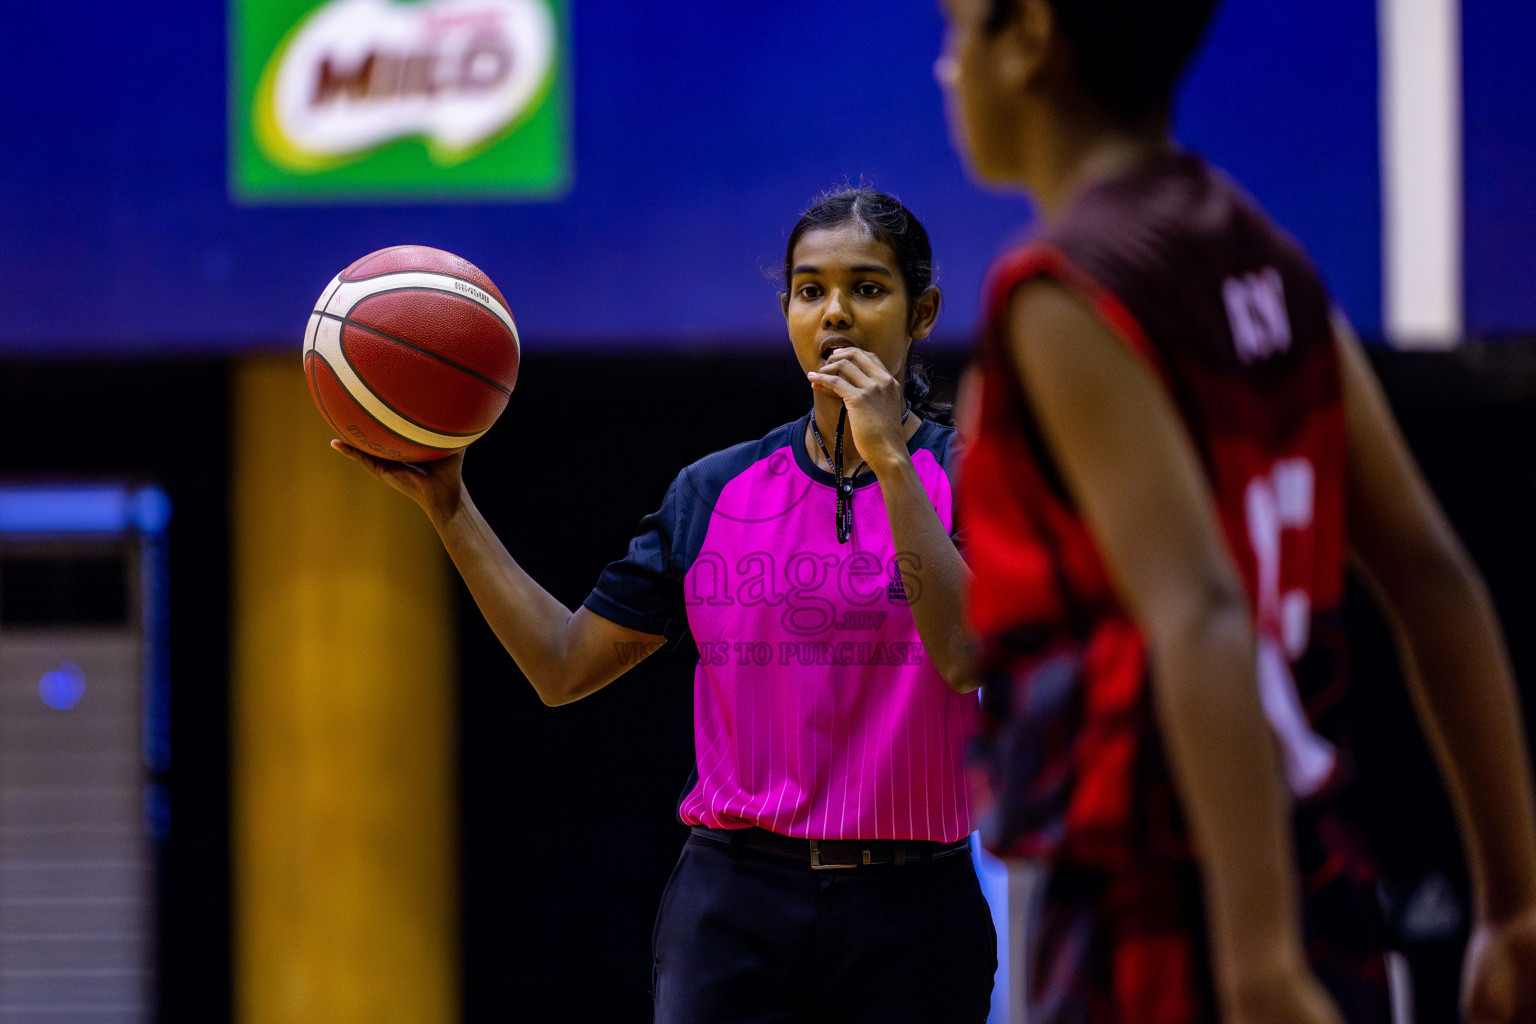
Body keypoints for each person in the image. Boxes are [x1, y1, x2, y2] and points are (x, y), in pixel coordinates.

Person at [934, 0, 1536, 1022]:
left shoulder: (1059, 294)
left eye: (956, 32)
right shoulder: (1265, 255)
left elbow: (1202, 613)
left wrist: (1256, 964)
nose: (948, 71)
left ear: (1032, 35)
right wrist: (1514, 903)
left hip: (1173, 916)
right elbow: (1435, 577)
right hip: (1325, 883)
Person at [331, 188, 997, 1023]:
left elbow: (968, 653)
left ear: (922, 311)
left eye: (867, 288)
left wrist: (889, 460)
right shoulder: (713, 491)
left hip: (916, 907)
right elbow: (562, 666)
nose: (835, 314)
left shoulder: (969, 476)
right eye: (809, 290)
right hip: (736, 904)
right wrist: (449, 508)